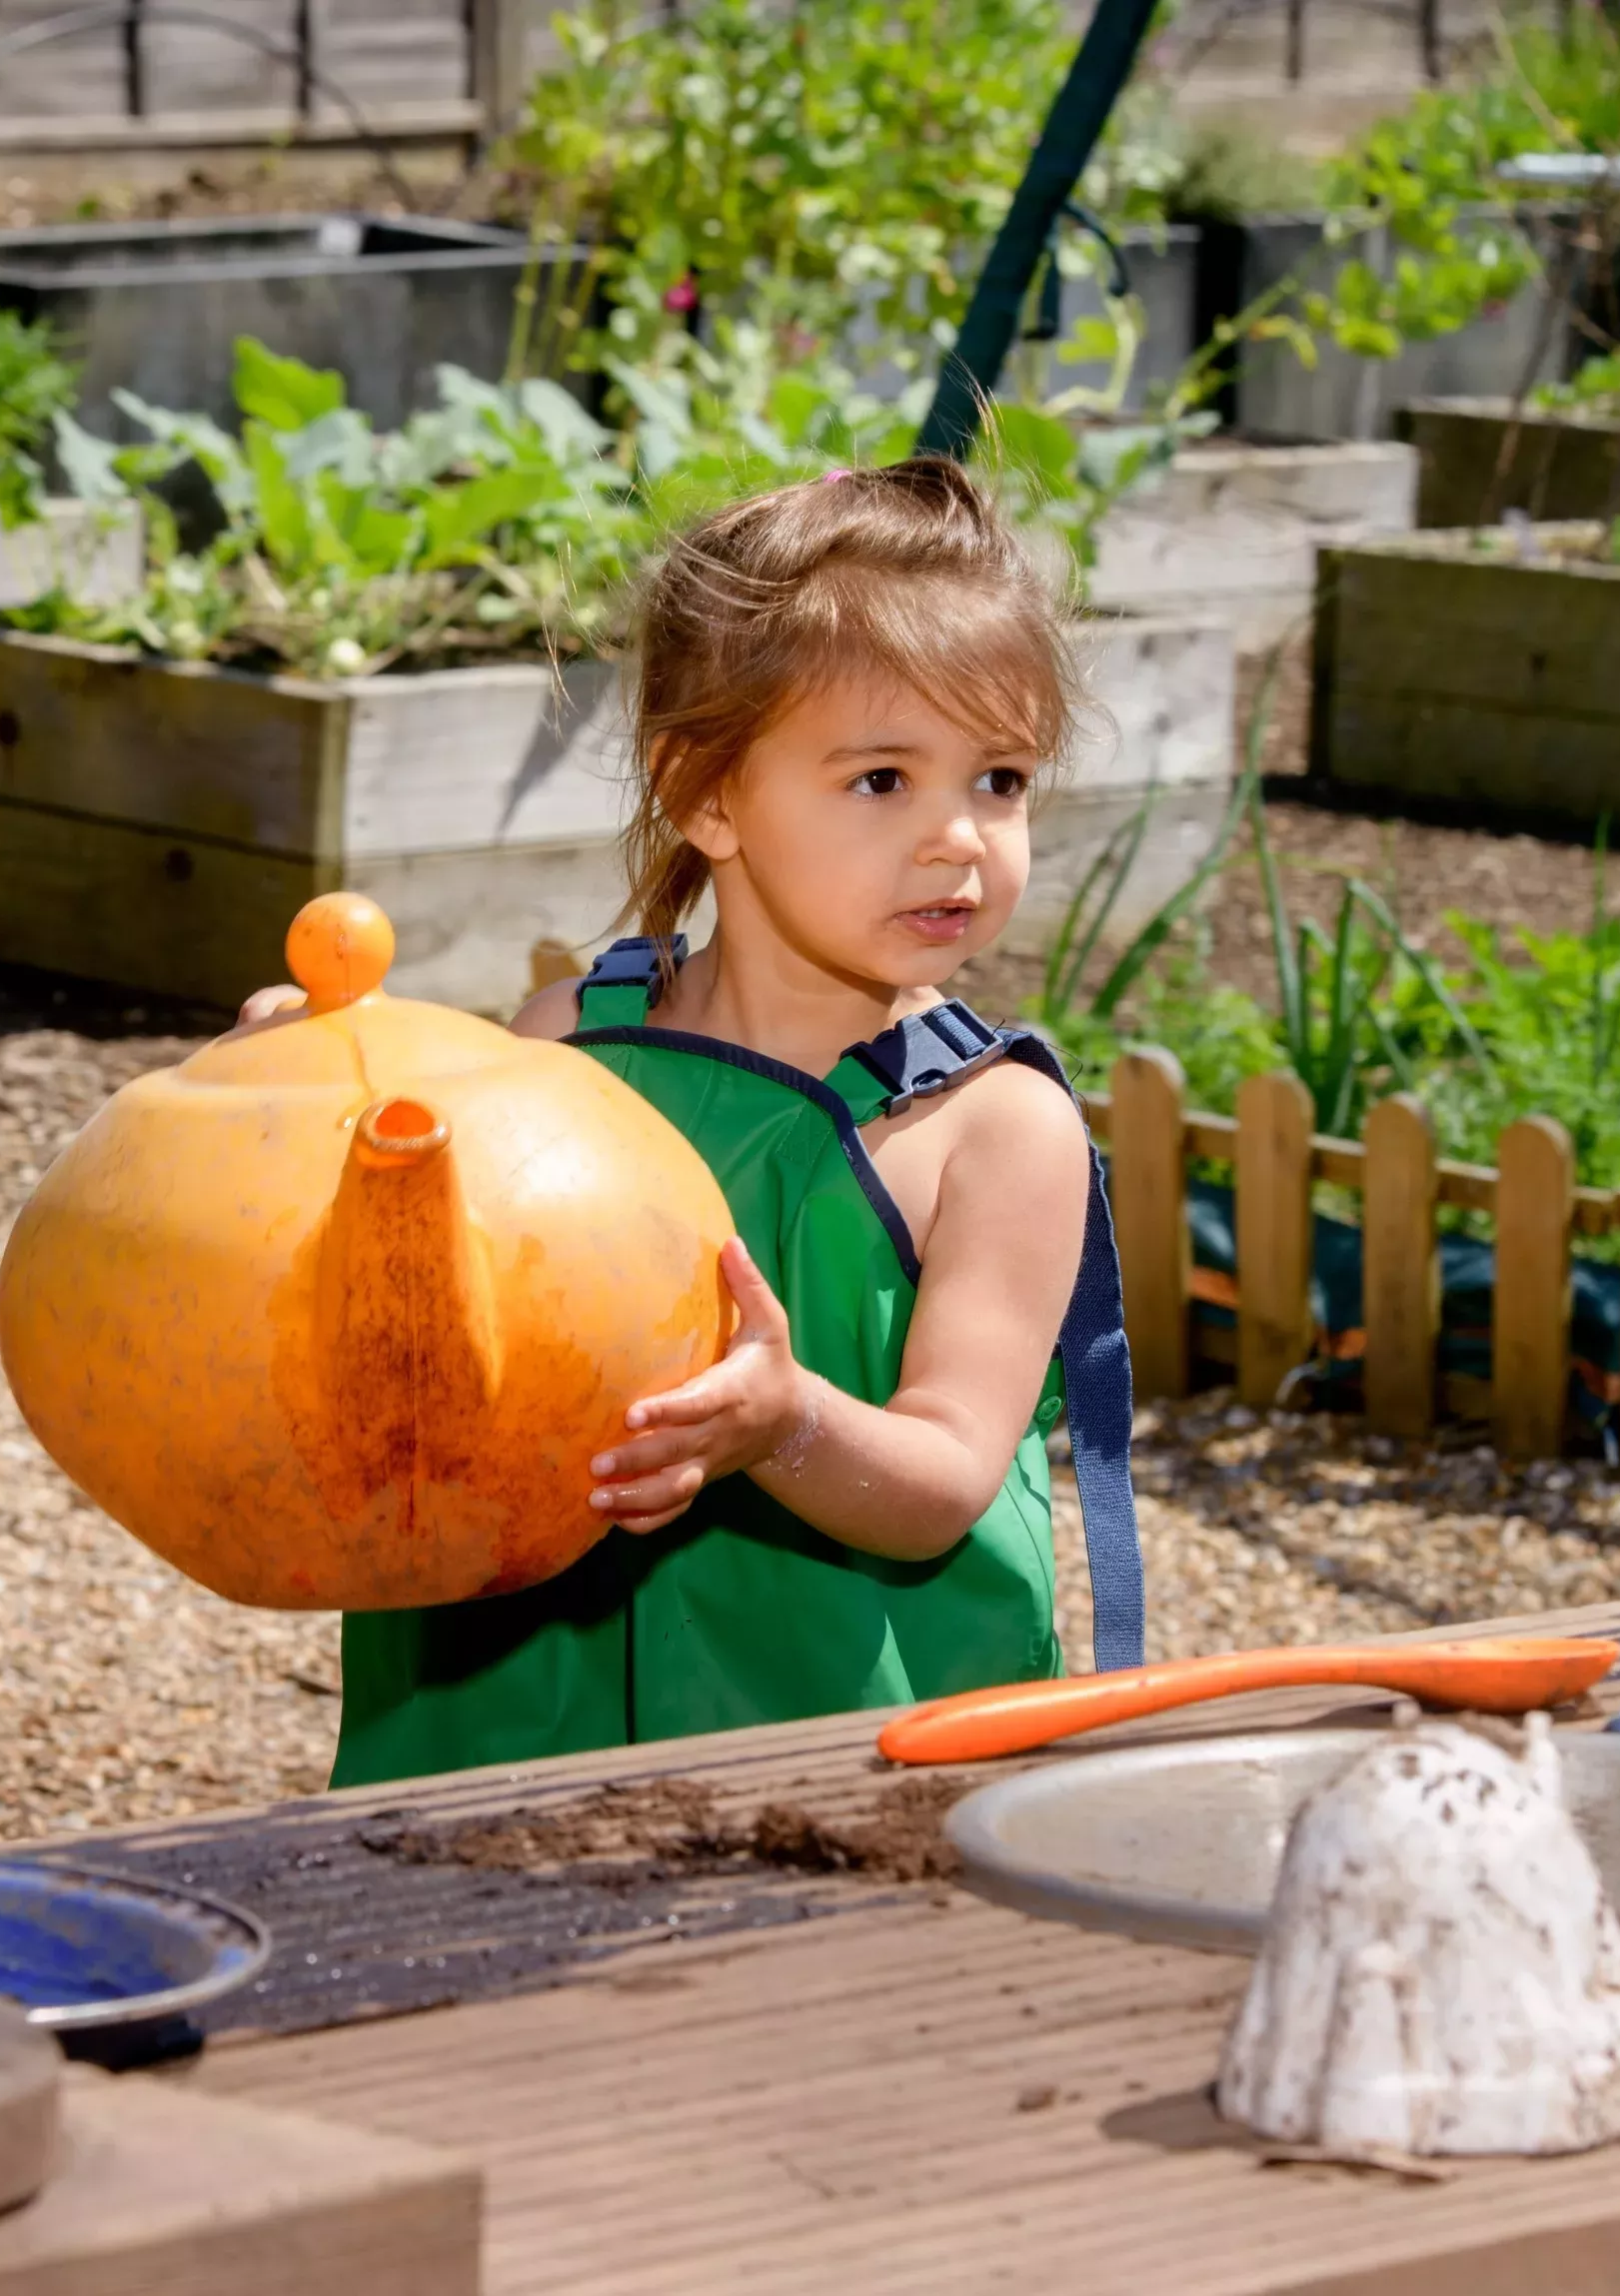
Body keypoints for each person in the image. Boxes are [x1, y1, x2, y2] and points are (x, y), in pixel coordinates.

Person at [233, 458, 1144, 1786]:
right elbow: (405, 1288)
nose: (961, 835)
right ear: (705, 791)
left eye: (999, 777)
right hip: (506, 1720)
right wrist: (298, 1099)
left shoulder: (994, 1127)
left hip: (837, 1753)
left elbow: (946, 1476)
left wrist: (784, 1421)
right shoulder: (570, 1044)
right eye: (885, 778)